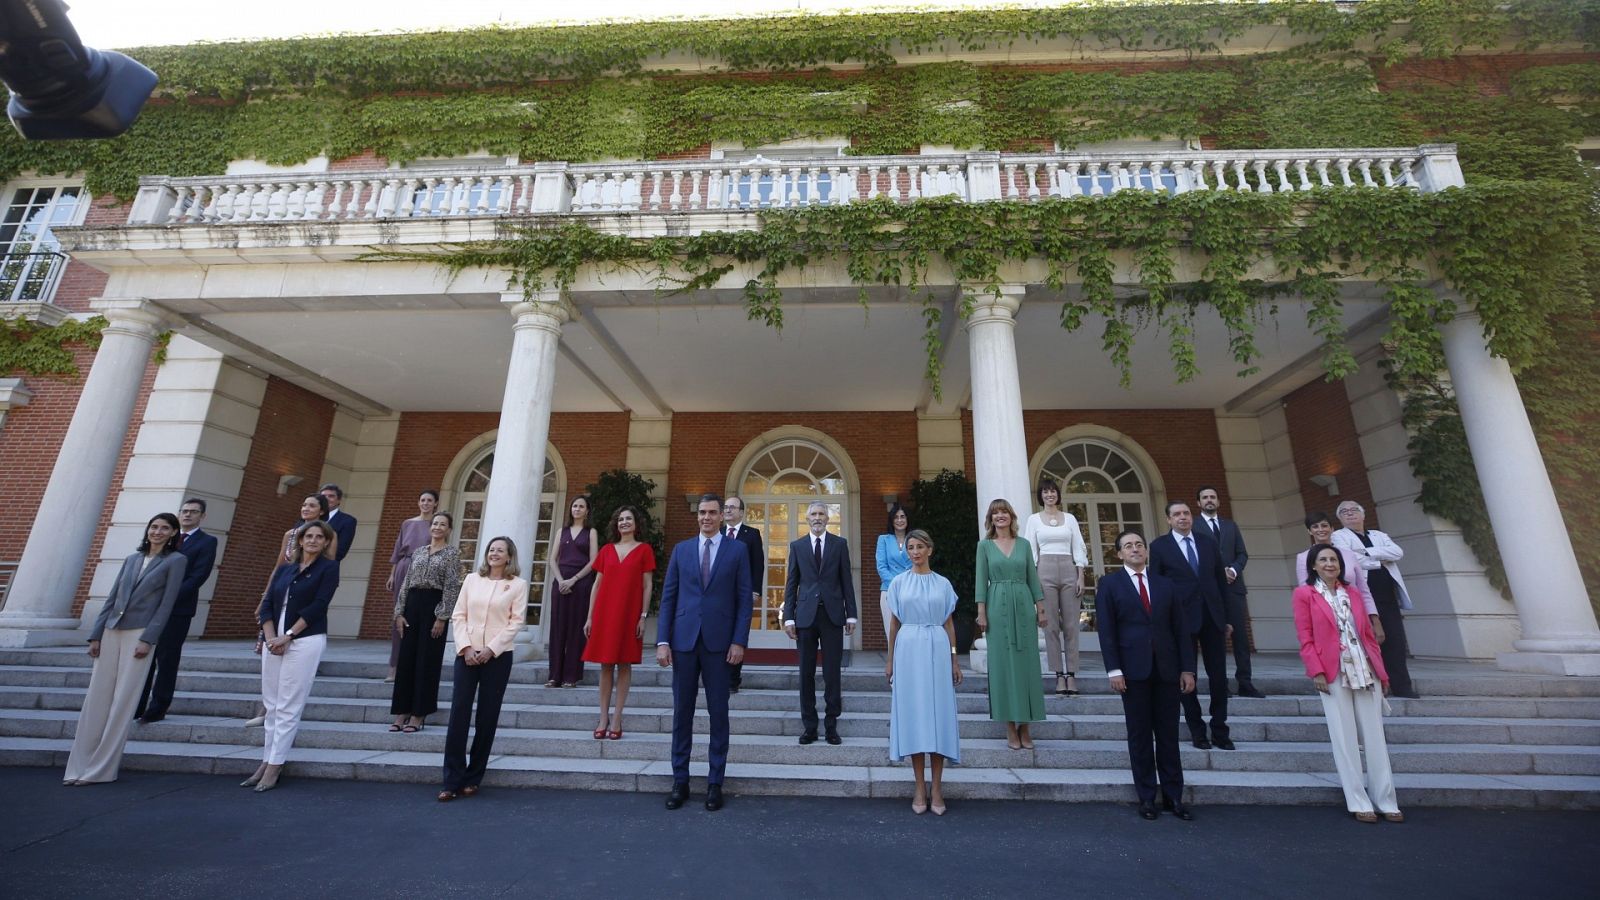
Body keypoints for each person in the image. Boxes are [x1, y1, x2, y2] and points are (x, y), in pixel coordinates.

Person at [64, 513, 187, 785]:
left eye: (164, 528)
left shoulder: (176, 561)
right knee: (96, 699)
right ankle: (77, 767)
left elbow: (166, 604)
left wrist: (148, 638)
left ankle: (100, 771)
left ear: (173, 533)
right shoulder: (132, 559)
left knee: (122, 702)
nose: (157, 532)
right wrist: (96, 635)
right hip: (111, 630)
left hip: (139, 634)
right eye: (154, 527)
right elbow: (112, 598)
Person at [657, 494, 753, 812]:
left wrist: (739, 641)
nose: (707, 517)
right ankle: (680, 781)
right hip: (684, 642)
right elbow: (669, 597)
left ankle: (715, 783)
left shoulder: (737, 551)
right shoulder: (682, 550)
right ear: (697, 516)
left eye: (713, 512)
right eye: (702, 512)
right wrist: (662, 641)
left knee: (719, 714)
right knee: (681, 714)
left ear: (722, 516)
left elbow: (744, 600)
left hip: (720, 644)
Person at [1294, 544, 1403, 824]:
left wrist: (1382, 673)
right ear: (1313, 566)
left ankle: (1386, 800)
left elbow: (1367, 635)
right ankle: (1358, 800)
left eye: (1334, 559)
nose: (1329, 564)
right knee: (1344, 739)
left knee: (1375, 737)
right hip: (1333, 671)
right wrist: (1316, 671)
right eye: (1323, 560)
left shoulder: (1352, 592)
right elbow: (1305, 636)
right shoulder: (1304, 594)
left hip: (1365, 669)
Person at [1097, 529, 1196, 821]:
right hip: (1132, 671)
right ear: (1119, 553)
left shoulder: (1165, 585)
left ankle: (1174, 797)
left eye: (1139, 544)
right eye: (1128, 545)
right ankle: (1147, 797)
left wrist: (1187, 668)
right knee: (1140, 736)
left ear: (1146, 551)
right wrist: (1114, 670)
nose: (1135, 549)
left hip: (1167, 670)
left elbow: (1181, 630)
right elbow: (1107, 631)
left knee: (1168, 736)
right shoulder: (1110, 584)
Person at [245, 519, 339, 793]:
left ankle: (275, 765)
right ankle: (266, 759)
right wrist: (271, 637)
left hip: (305, 640)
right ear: (300, 540)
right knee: (272, 705)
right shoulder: (285, 569)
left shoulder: (328, 568)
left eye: (319, 537)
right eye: (308, 536)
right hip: (274, 640)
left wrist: (288, 636)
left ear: (325, 542)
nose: (313, 540)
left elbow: (319, 605)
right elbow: (267, 604)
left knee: (289, 705)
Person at [439, 536, 529, 802]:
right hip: (466, 655)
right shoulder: (471, 580)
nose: (494, 553)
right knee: (459, 714)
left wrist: (491, 649)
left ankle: (473, 777)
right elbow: (459, 615)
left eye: (500, 550)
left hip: (497, 657)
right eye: (491, 549)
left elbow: (516, 622)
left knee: (487, 717)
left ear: (509, 556)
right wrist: (466, 647)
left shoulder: (518, 585)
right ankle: (451, 780)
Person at [885, 529, 962, 816]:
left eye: (920, 547)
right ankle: (919, 787)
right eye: (911, 547)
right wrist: (890, 661)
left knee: (938, 716)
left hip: (938, 648)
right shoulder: (899, 583)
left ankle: (937, 788)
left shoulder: (943, 584)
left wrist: (954, 660)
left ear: (930, 549)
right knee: (915, 717)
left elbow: (949, 624)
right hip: (908, 649)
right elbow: (894, 624)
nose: (915, 552)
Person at [1149, 499, 1234, 750]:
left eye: (1186, 513)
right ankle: (1197, 730)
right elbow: (1157, 587)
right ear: (1168, 519)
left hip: (1212, 617)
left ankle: (1220, 729)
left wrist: (1228, 618)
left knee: (1219, 677)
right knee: (1187, 676)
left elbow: (1220, 582)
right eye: (1177, 514)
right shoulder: (1159, 547)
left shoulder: (1208, 542)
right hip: (1181, 620)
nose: (1183, 517)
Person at [244, 493, 329, 729]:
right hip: (279, 597)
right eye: (304, 504)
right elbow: (279, 566)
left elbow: (328, 563)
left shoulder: (326, 534)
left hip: (304, 598)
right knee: (270, 659)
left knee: (292, 671)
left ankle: (276, 712)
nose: (306, 508)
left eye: (311, 505)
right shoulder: (290, 535)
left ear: (322, 511)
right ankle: (267, 709)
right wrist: (265, 596)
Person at [134, 497, 217, 724]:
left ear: (202, 516)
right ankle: (137, 706)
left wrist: (168, 597)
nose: (187, 515)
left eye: (193, 512)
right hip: (150, 609)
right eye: (184, 511)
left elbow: (198, 576)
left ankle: (158, 708)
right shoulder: (167, 539)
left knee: (167, 659)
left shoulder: (207, 542)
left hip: (178, 609)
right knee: (145, 659)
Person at [782, 500, 858, 746]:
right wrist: (789, 617)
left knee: (832, 673)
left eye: (821, 514)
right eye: (813, 514)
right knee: (806, 673)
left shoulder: (839, 544)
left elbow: (846, 581)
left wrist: (851, 614)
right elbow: (792, 583)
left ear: (827, 518)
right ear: (807, 519)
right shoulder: (797, 546)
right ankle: (810, 727)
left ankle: (831, 726)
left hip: (832, 616)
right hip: (805, 617)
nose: (817, 517)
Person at [975, 498, 1045, 751]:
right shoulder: (984, 546)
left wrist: (1041, 608)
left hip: (1023, 604)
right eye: (995, 513)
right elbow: (981, 580)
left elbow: (1032, 578)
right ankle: (1009, 726)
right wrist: (981, 612)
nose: (1000, 516)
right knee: (1002, 666)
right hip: (996, 606)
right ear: (990, 519)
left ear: (1011, 516)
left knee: (1027, 666)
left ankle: (1025, 725)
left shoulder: (1023, 544)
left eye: (1004, 511)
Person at [583, 506, 656, 740]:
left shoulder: (644, 550)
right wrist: (590, 617)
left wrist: (643, 616)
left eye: (628, 519)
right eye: (621, 519)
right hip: (604, 614)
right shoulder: (606, 550)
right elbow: (597, 585)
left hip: (629, 614)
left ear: (636, 524)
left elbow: (647, 586)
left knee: (624, 664)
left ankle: (616, 719)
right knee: (605, 665)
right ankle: (603, 718)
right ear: (616, 524)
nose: (624, 522)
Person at [1332, 501, 1419, 699]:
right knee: (1369, 639)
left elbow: (1397, 552)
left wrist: (1367, 553)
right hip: (1362, 594)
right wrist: (1380, 558)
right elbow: (1349, 559)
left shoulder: (1379, 535)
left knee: (1395, 640)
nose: (1350, 513)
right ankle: (1378, 686)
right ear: (1340, 519)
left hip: (1387, 594)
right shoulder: (1339, 536)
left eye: (1354, 510)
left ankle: (1402, 686)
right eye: (1344, 512)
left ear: (1363, 515)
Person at [390, 513, 463, 733]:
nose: (438, 527)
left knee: (427, 661)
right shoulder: (419, 552)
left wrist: (442, 616)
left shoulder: (452, 553)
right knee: (406, 659)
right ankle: (401, 711)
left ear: (449, 530)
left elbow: (452, 586)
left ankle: (419, 714)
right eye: (435, 524)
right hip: (412, 604)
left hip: (434, 605)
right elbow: (406, 583)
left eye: (443, 524)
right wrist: (399, 612)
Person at [1020, 478, 1087, 697]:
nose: (1050, 495)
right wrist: (1032, 579)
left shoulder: (1070, 518)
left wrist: (1080, 576)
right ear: (1041, 496)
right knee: (1050, 626)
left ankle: (1072, 674)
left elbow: (1078, 546)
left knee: (1071, 625)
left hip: (1068, 568)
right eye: (1046, 492)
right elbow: (1030, 550)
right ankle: (1058, 674)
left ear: (1058, 494)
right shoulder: (1034, 520)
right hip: (1044, 570)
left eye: (1053, 491)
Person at [1196, 485, 1263, 698]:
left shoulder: (1230, 525)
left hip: (1234, 589)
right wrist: (1217, 573)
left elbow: (1242, 554)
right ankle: (1220, 684)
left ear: (1218, 501)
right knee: (1214, 640)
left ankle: (1245, 683)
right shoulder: (1194, 526)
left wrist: (1233, 570)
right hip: (1210, 591)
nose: (1209, 500)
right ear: (1198, 503)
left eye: (1212, 497)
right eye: (1205, 497)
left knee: (1241, 638)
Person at [1297, 511, 1384, 644]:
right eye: (1315, 526)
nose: (1320, 529)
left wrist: (1375, 620)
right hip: (1325, 620)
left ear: (1332, 529)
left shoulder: (1349, 555)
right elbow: (1305, 596)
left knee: (1364, 654)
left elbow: (1364, 590)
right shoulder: (1304, 558)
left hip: (1356, 616)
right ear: (1309, 531)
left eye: (1324, 525)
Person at [385, 489, 439, 683]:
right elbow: (398, 549)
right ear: (418, 502)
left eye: (429, 500)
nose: (425, 503)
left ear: (435, 504)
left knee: (418, 615)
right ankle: (393, 667)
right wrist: (392, 574)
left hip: (425, 569)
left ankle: (412, 666)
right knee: (399, 615)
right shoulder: (407, 523)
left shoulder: (436, 525)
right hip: (404, 566)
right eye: (422, 500)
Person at [546, 495, 597, 688]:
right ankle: (554, 676)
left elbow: (594, 561)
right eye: (575, 506)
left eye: (581, 506)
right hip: (560, 583)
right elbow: (552, 559)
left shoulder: (591, 532)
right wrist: (561, 581)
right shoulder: (562, 531)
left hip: (581, 583)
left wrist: (574, 580)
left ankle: (571, 676)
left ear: (587, 511)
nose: (577, 509)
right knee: (557, 628)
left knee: (576, 629)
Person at [722, 495, 763, 694]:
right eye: (726, 507)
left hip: (742, 593)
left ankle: (732, 680)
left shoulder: (752, 534)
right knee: (720, 635)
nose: (728, 510)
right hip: (719, 595)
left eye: (732, 507)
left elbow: (758, 564)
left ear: (741, 512)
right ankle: (719, 676)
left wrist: (755, 590)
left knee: (737, 636)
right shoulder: (717, 533)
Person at [874, 503, 913, 647]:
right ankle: (894, 660)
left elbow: (918, 564)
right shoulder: (883, 539)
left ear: (907, 519)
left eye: (903, 516)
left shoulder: (914, 539)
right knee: (892, 633)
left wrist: (908, 585)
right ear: (891, 520)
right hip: (889, 590)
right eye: (896, 517)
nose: (899, 520)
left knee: (910, 632)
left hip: (912, 590)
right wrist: (896, 586)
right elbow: (881, 567)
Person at [320, 483, 357, 562]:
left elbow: (340, 551)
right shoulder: (309, 518)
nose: (326, 499)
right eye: (323, 496)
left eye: (331, 496)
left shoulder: (348, 521)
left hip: (326, 565)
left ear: (339, 500)